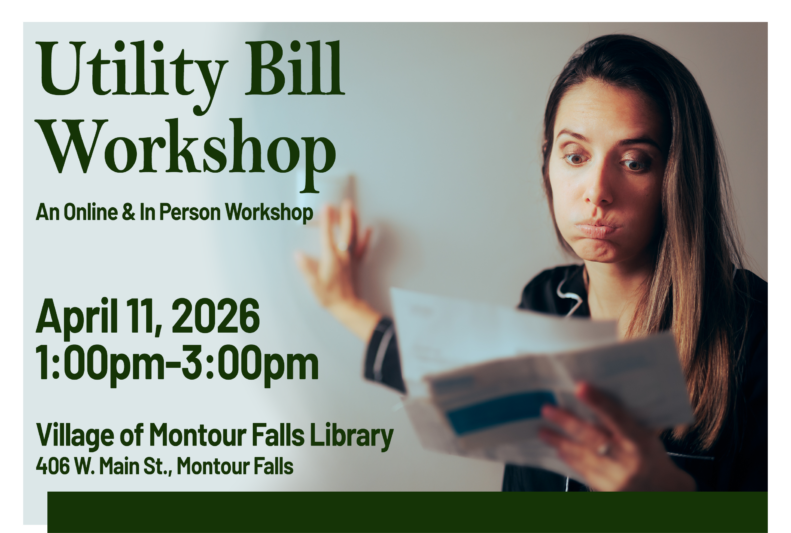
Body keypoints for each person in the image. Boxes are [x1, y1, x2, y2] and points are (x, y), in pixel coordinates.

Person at [295, 34, 767, 492]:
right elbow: (454, 383)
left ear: (678, 175)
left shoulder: (759, 331)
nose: (597, 191)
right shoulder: (544, 300)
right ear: (548, 164)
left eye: (635, 161)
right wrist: (343, 304)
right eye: (576, 155)